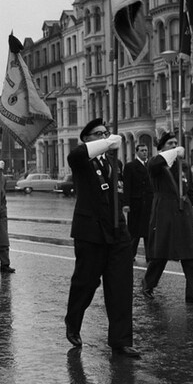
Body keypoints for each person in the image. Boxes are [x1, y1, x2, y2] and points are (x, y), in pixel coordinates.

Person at [63, 119, 139, 358]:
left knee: (120, 287)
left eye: (106, 133)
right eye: (98, 134)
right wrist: (106, 143)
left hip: (117, 231)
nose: (105, 137)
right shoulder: (82, 161)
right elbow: (74, 156)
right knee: (85, 284)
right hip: (91, 233)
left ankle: (121, 341)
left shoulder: (115, 163)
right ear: (86, 139)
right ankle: (73, 321)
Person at [141, 132, 193, 304]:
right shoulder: (156, 164)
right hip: (164, 209)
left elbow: (191, 191)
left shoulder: (183, 165)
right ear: (162, 147)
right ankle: (148, 284)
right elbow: (155, 164)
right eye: (170, 143)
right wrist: (173, 152)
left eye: (176, 143)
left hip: (183, 210)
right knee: (160, 253)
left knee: (190, 254)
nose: (174, 145)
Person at [122, 143, 153, 258]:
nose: (145, 152)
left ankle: (150, 256)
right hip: (136, 204)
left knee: (148, 233)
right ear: (137, 152)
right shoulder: (130, 166)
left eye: (146, 150)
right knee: (134, 233)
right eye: (142, 150)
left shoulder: (150, 165)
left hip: (148, 203)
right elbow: (127, 186)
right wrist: (126, 203)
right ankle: (130, 255)